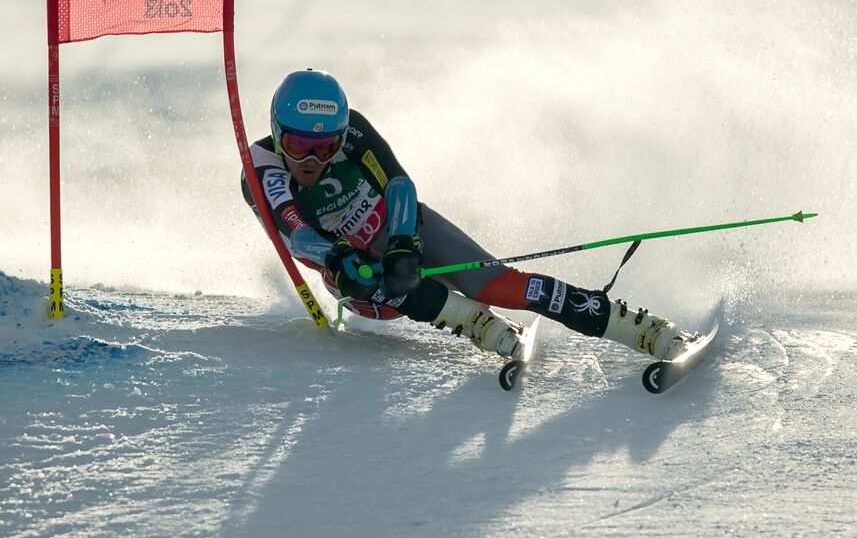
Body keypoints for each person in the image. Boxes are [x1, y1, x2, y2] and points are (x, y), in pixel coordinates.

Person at [241, 68, 694, 361]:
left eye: (327, 147)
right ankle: (473, 322)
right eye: (299, 145)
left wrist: (402, 242)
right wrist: (340, 257)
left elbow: (398, 183)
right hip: (355, 278)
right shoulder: (260, 168)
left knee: (499, 283)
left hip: (404, 233)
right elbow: (295, 231)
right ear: (278, 133)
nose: (313, 160)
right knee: (370, 276)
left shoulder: (352, 127)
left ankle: (638, 329)